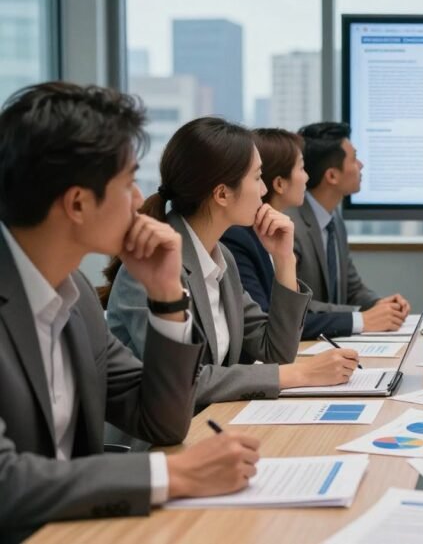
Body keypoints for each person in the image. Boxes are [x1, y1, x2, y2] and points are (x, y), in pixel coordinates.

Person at [0, 83, 258, 538]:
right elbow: (6, 482)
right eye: (126, 184)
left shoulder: (72, 293)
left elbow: (161, 420)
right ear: (78, 203)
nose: (140, 202)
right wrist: (172, 475)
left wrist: (165, 294)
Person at [105, 117, 360, 410]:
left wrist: (284, 260)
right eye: (256, 177)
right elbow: (184, 382)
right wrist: (296, 374)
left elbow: (275, 350)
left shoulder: (220, 256)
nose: (264, 190)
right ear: (223, 193)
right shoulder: (151, 268)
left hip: (208, 425)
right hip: (156, 443)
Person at [221, 128, 359, 339]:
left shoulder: (270, 232)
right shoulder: (239, 238)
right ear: (279, 183)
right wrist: (361, 319)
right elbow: (269, 324)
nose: (307, 177)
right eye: (302, 168)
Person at [289, 122, 410, 333]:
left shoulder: (333, 216)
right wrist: (362, 316)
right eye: (354, 159)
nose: (361, 165)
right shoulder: (291, 227)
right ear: (332, 176)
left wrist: (381, 305)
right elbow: (297, 307)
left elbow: (352, 287)